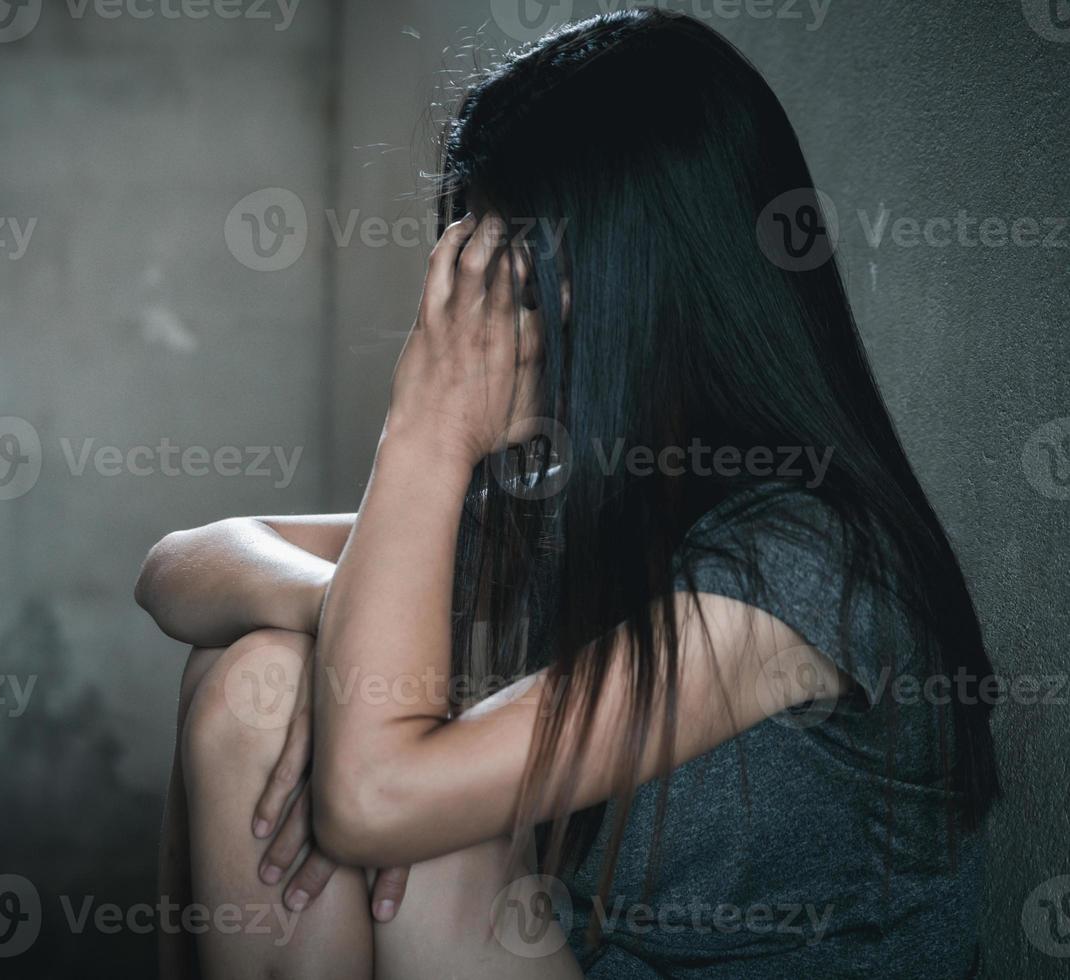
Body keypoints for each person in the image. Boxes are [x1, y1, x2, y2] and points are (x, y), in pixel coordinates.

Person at [137, 9, 998, 978]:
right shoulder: (578, 503)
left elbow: (376, 798)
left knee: (428, 831)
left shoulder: (800, 570)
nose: (486, 326)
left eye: (521, 283)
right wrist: (337, 612)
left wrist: (426, 432)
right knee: (252, 680)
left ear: (647, 285)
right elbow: (184, 561)